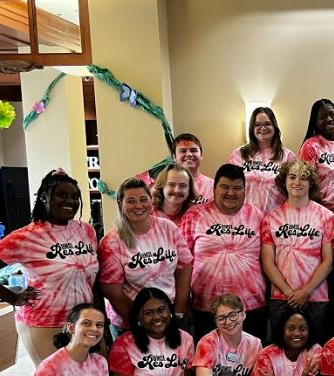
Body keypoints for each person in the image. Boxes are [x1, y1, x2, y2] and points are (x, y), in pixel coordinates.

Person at [0, 169, 98, 367]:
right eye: (62, 195)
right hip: (45, 323)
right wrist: (13, 297)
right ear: (45, 197)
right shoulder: (26, 237)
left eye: (74, 196)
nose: (70, 201)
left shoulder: (86, 231)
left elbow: (92, 279)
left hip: (83, 319)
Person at [180, 164, 266, 341]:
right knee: (208, 363)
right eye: (225, 187)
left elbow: (268, 259)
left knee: (250, 364)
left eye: (237, 188)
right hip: (206, 308)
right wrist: (182, 303)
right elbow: (181, 264)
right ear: (214, 188)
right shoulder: (194, 216)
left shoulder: (257, 216)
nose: (231, 193)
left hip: (251, 307)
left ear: (245, 190)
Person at [98, 178, 193, 335]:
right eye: (131, 201)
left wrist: (178, 312)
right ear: (121, 204)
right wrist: (141, 322)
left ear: (151, 201)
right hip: (130, 322)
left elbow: (185, 268)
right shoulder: (111, 242)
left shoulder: (168, 228)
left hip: (169, 318)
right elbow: (112, 292)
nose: (139, 206)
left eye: (143, 199)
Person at [261, 159, 334, 342]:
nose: (297, 182)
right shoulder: (270, 219)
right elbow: (268, 262)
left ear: (311, 183)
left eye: (303, 178)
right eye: (292, 177)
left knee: (316, 350)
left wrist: (306, 291)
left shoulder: (326, 217)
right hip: (280, 297)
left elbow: (328, 261)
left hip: (316, 296)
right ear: (284, 182)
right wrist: (289, 293)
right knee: (280, 350)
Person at [228, 106, 297, 213]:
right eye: (257, 125)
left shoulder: (288, 156)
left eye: (267, 124)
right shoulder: (238, 154)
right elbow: (229, 188)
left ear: (274, 126)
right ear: (252, 128)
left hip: (276, 218)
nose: (263, 128)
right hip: (244, 219)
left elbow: (294, 191)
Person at [298, 98, 334, 214]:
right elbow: (307, 183)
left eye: (332, 114)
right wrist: (324, 212)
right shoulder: (310, 146)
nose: (329, 119)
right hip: (318, 211)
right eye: (323, 116)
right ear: (316, 121)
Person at [173, 133, 215, 203]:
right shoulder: (166, 185)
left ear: (201, 156)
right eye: (183, 151)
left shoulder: (213, 186)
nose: (189, 154)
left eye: (193, 150)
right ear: (174, 157)